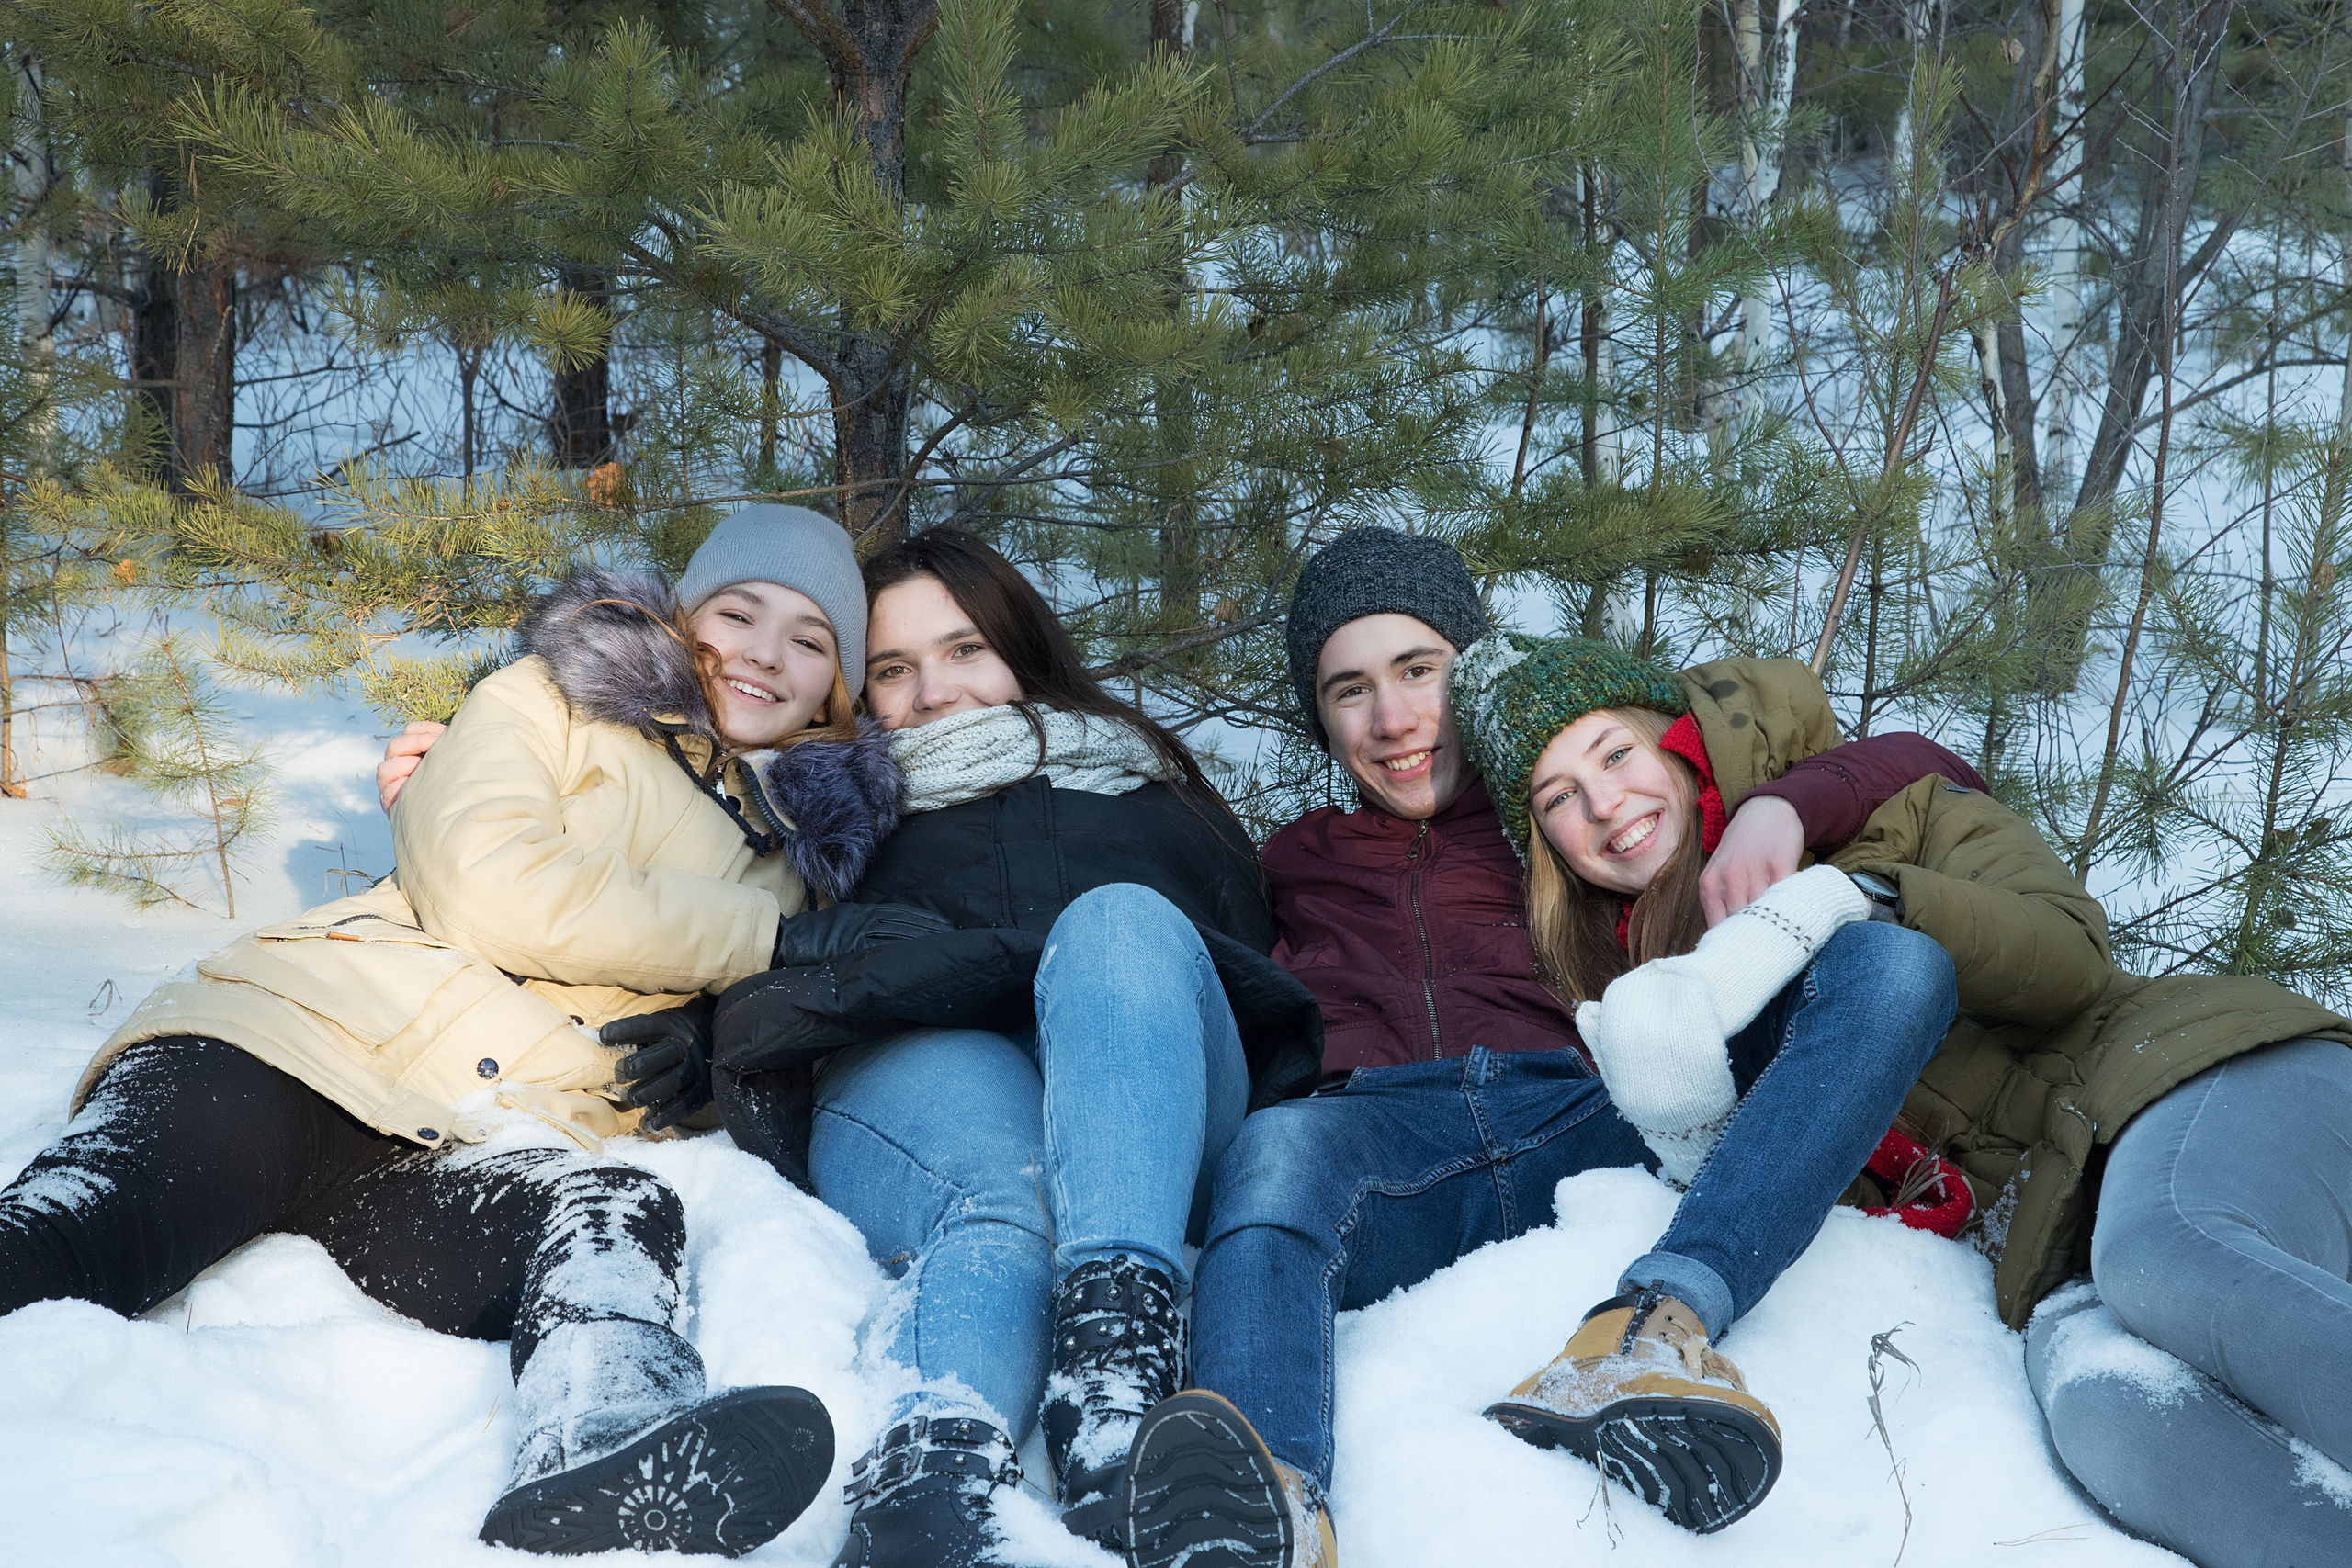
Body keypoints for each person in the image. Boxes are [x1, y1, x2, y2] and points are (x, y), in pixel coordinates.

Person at [1111, 528, 2036, 1568]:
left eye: (1419, 670)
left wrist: (1774, 807)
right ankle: (1262, 1507)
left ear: (1472, 673)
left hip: (1591, 1107)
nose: (1392, 717)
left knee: (1891, 965)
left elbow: (1921, 765)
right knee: (1276, 1149)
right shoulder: (1289, 861)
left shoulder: (1559, 810)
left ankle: (1656, 1329)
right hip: (1381, 1139)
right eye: (1347, 690)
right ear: (1318, 719)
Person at [1, 504, 902, 1558]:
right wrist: (767, 944)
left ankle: (607, 1436)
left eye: (809, 639)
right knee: (79, 1229)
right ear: (680, 617)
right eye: (739, 613)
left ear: (837, 689)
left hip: (468, 1134)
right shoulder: (549, 702)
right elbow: (490, 887)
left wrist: (709, 1034)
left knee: (611, 1214)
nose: (764, 653)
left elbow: (739, 1035)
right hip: (299, 1042)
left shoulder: (803, 860)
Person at [704, 527, 1319, 1568]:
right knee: (1005, 1182)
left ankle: (1115, 1373)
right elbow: (683, 895)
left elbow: (1273, 971)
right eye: (892, 670)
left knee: (1118, 923)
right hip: (921, 1077)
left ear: (1022, 649)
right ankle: (930, 1479)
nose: (934, 692)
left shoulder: (1165, 800)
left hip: (1150, 1102)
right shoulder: (814, 815)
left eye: (965, 649)